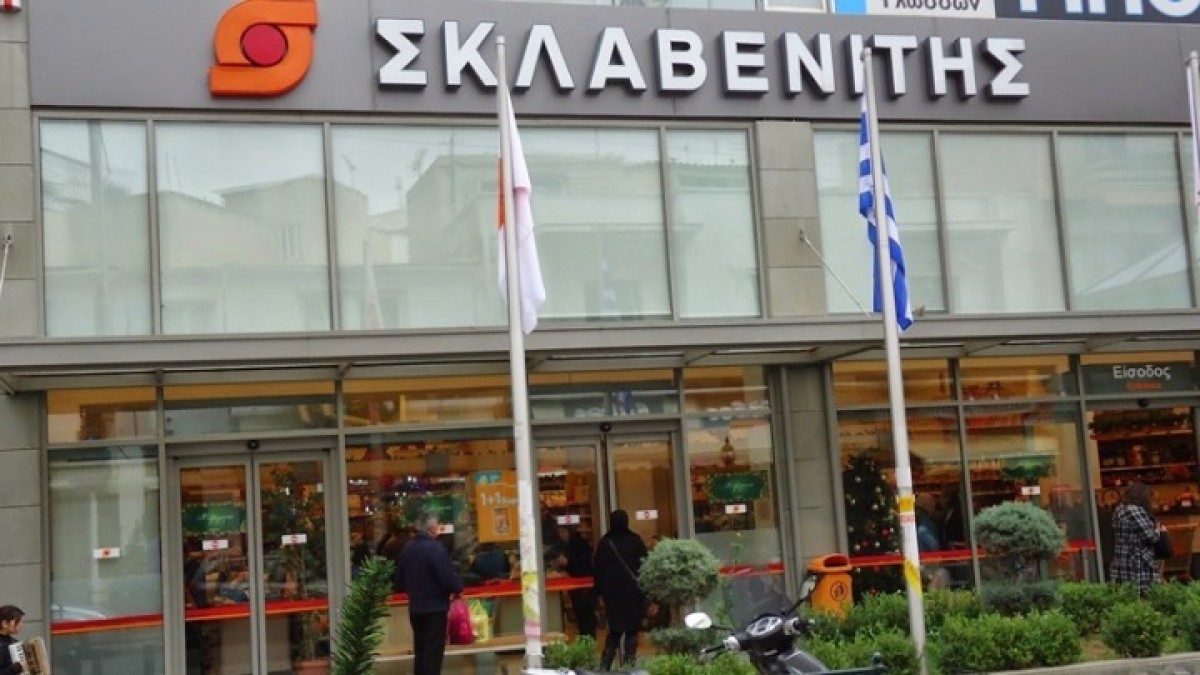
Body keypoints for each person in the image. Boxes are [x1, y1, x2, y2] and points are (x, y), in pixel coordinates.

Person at [393, 511, 464, 675]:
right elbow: (448, 579)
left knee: (421, 652)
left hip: (416, 608)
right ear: (432, 528)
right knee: (433, 655)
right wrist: (457, 588)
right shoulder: (435, 549)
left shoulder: (408, 549)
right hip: (435, 608)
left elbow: (399, 580)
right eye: (437, 526)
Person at [592, 510, 648, 670]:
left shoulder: (605, 543)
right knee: (632, 630)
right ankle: (629, 666)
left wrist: (599, 594)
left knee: (615, 630)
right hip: (633, 593)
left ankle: (604, 666)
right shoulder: (635, 541)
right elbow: (645, 566)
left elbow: (598, 570)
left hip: (613, 595)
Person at [1110, 482, 1164, 595]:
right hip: (1137, 561)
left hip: (1123, 558)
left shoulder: (1120, 509)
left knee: (1125, 595)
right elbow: (1151, 537)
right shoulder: (1134, 510)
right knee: (1142, 595)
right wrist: (1159, 529)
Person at [0, 605, 26, 675]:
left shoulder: (14, 642)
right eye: (17, 621)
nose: (20, 624)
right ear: (4, 623)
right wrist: (16, 668)